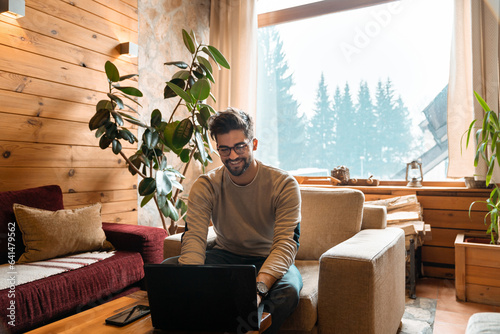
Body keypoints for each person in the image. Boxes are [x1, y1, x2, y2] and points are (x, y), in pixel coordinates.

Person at [164, 107, 302, 333]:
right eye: (225, 149)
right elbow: (195, 238)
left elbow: (287, 244)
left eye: (240, 146)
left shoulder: (284, 184)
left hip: (267, 257)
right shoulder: (206, 185)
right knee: (168, 270)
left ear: (254, 144)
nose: (233, 156)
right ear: (217, 149)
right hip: (225, 257)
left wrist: (257, 290)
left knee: (289, 290)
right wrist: (190, 282)